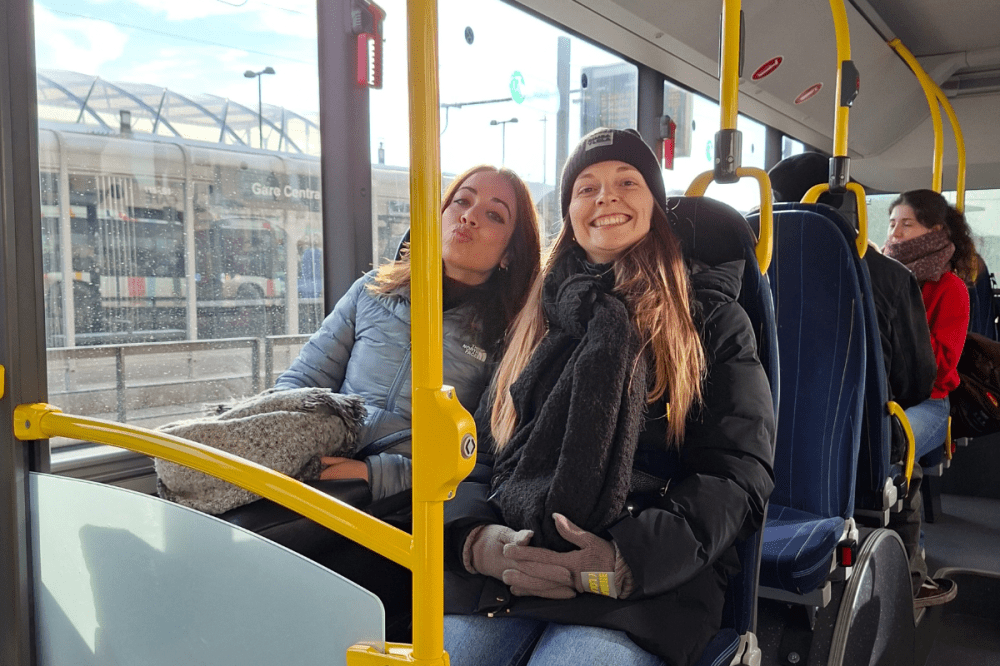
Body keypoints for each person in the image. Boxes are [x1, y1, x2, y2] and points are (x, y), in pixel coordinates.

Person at [441, 128, 775, 666]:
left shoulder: (708, 317)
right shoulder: (535, 317)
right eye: (586, 188)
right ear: (571, 213)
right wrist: (476, 540)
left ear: (655, 206)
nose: (605, 197)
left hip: (646, 581)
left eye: (627, 182)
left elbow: (737, 472)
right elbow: (478, 452)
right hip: (511, 564)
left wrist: (623, 558)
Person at [274, 165, 542, 502]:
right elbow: (303, 380)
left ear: (509, 253)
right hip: (325, 458)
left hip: (411, 497)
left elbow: (484, 454)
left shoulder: (510, 335)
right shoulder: (373, 290)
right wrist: (290, 438)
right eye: (461, 201)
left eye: (493, 215)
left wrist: (374, 475)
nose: (469, 217)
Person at [767, 153, 950, 606]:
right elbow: (916, 381)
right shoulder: (889, 275)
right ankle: (907, 583)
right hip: (862, 451)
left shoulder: (751, 264)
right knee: (903, 453)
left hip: (759, 442)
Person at [883, 188, 977, 606]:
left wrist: (901, 314)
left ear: (935, 231)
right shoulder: (879, 276)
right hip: (885, 396)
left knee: (892, 446)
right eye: (892, 224)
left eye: (907, 224)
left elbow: (940, 366)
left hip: (930, 402)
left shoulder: (950, 288)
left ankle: (911, 570)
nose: (896, 233)